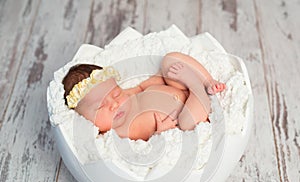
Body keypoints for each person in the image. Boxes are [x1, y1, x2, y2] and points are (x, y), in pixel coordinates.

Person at [62, 52, 226, 141]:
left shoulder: (127, 96)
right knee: (187, 121)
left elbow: (142, 86)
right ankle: (197, 86)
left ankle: (208, 81)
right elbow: (138, 151)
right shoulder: (114, 136)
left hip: (178, 88)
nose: (114, 104)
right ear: (83, 118)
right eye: (100, 107)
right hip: (191, 111)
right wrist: (160, 134)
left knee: (170, 59)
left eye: (116, 93)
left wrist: (162, 76)